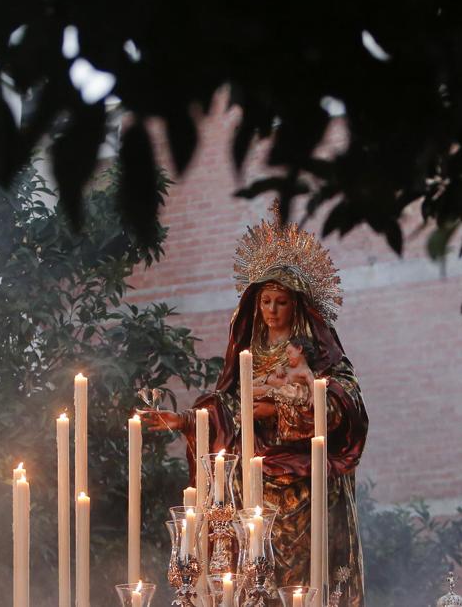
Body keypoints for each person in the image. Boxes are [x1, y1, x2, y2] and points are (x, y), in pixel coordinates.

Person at [144, 206, 368, 605]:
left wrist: (284, 408)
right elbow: (226, 408)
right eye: (265, 301)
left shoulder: (317, 353)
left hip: (306, 482)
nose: (272, 310)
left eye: (281, 301)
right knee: (255, 579)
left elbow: (344, 403)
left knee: (305, 578)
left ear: (296, 305)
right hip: (255, 484)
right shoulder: (247, 353)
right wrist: (183, 420)